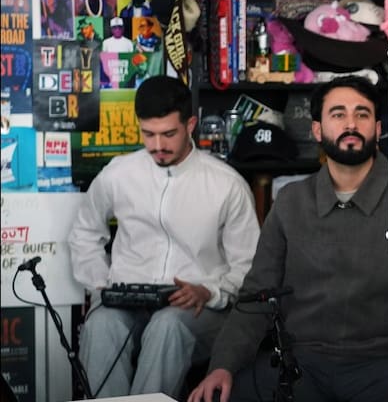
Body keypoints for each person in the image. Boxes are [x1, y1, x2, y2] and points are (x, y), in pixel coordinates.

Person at [188, 76, 388, 402]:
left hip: (385, 362)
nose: (351, 123)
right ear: (318, 130)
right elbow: (255, 299)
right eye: (338, 114)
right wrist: (221, 366)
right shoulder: (291, 202)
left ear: (378, 129)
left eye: (362, 114)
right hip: (300, 362)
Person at [68, 76, 260, 397]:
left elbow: (249, 266)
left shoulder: (227, 184)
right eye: (149, 134)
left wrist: (209, 291)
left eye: (169, 134)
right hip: (127, 298)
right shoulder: (119, 173)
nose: (158, 146)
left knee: (167, 327)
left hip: (198, 307)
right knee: (101, 325)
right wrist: (101, 285)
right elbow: (84, 232)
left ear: (191, 125)